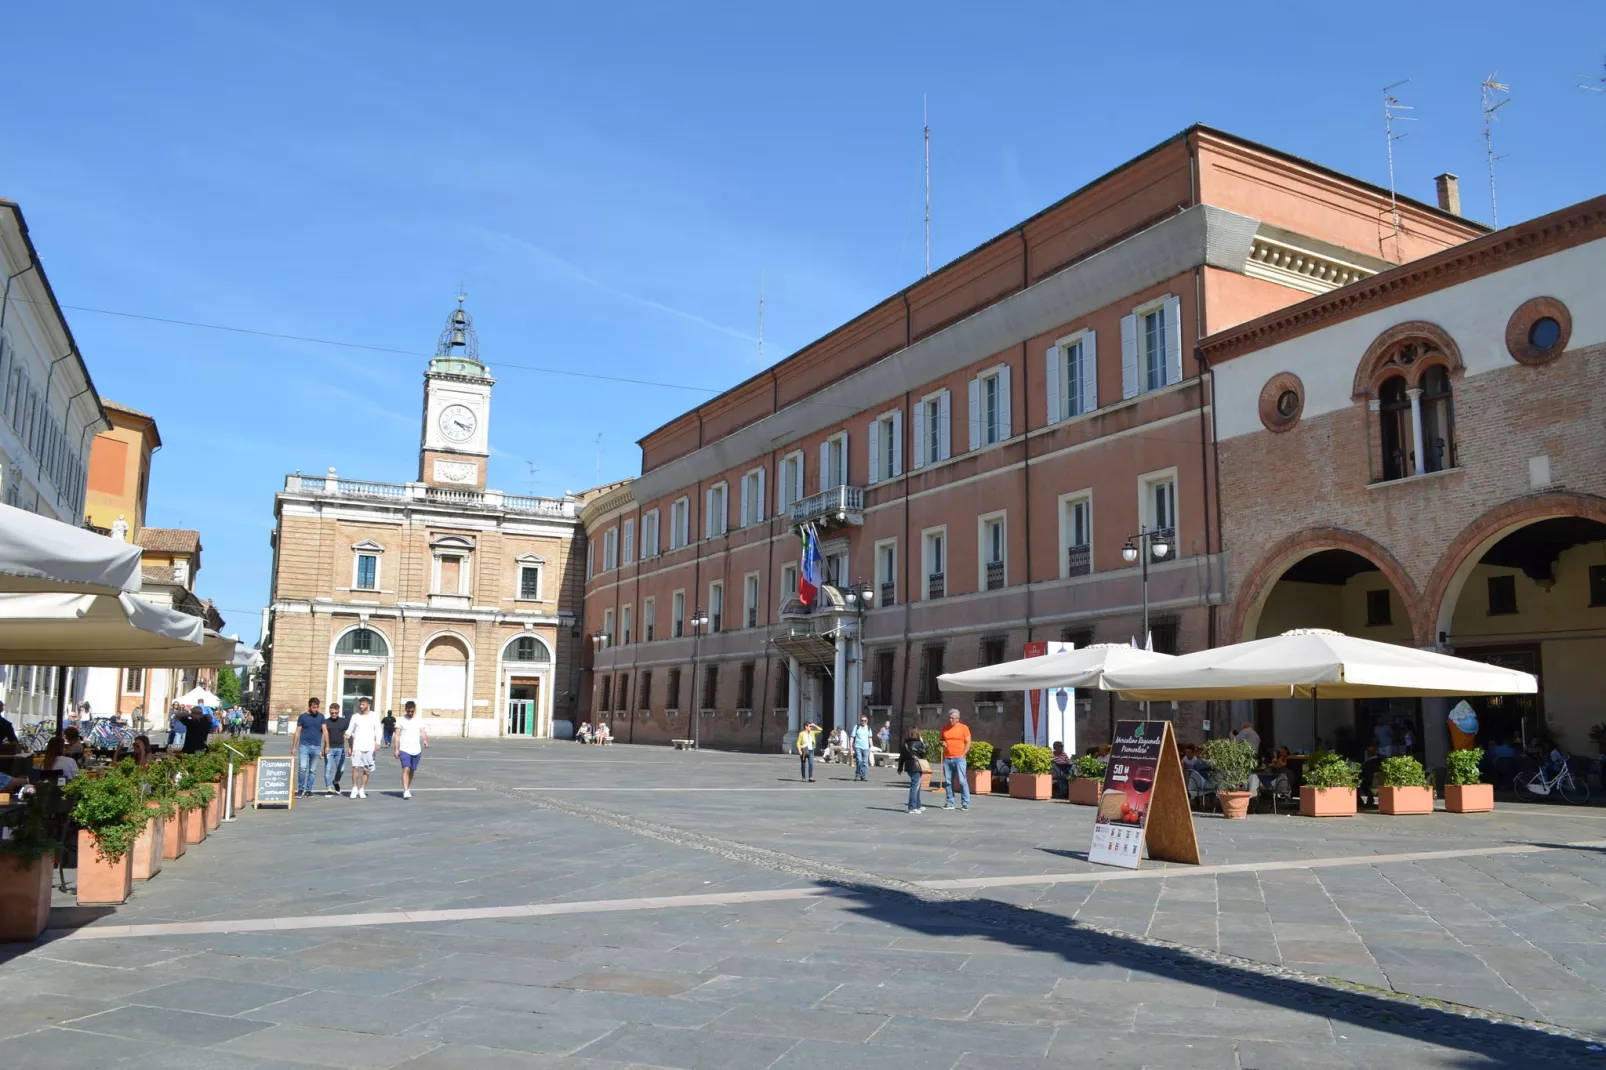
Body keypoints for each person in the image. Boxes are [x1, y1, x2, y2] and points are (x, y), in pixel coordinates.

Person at [345, 697, 381, 799]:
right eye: (360, 704)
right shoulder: (355, 716)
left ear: (368, 705)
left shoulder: (374, 716)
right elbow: (350, 729)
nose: (360, 706)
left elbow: (378, 729)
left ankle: (362, 789)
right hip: (357, 746)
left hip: (369, 746)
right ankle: (354, 788)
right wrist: (347, 734)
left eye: (363, 704)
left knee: (366, 769)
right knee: (355, 767)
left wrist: (377, 742)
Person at [393, 700, 428, 799]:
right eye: (408, 711)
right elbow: (397, 735)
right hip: (404, 749)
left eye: (412, 711)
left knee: (412, 770)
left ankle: (407, 788)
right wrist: (396, 749)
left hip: (416, 749)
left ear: (414, 710)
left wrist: (425, 740)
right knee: (406, 768)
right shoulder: (401, 720)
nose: (410, 713)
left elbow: (422, 731)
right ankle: (405, 790)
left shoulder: (419, 720)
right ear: (405, 710)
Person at [939, 709, 972, 811]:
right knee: (948, 782)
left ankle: (965, 802)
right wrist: (942, 743)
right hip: (948, 758)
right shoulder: (945, 728)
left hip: (959, 758)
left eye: (952, 718)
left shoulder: (963, 728)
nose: (950, 720)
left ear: (957, 718)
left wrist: (963, 754)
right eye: (949, 718)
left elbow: (968, 742)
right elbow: (941, 740)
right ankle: (950, 802)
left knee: (962, 781)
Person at [295, 698, 326, 798]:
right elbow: (297, 732)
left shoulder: (321, 717)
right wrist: (293, 747)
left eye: (317, 707)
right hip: (304, 745)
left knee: (312, 770)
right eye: (313, 707)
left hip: (316, 746)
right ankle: (300, 789)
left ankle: (309, 790)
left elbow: (325, 731)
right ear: (309, 706)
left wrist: (326, 746)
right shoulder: (303, 717)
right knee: (302, 768)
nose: (315, 709)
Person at [324, 701, 351, 796]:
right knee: (328, 769)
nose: (334, 714)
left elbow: (349, 733)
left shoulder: (343, 722)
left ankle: (335, 782)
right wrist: (320, 749)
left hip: (340, 748)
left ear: (339, 712)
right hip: (329, 749)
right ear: (329, 712)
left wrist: (350, 747)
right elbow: (321, 735)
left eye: (336, 713)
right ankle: (329, 788)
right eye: (332, 713)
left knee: (342, 769)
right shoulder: (326, 722)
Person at [897, 727, 927, 814]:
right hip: (917, 766)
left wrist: (900, 768)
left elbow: (901, 757)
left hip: (909, 767)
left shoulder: (904, 744)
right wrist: (922, 742)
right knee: (915, 787)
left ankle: (917, 805)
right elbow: (924, 753)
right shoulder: (918, 743)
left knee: (916, 786)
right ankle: (912, 807)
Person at [851, 715, 874, 781]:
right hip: (858, 746)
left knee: (865, 762)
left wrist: (871, 746)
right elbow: (852, 737)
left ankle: (863, 776)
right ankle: (857, 774)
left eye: (865, 720)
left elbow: (870, 738)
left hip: (866, 748)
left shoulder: (869, 728)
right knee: (859, 760)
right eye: (862, 720)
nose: (863, 722)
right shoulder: (856, 727)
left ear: (867, 721)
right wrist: (851, 747)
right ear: (860, 721)